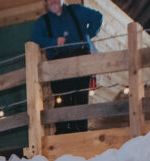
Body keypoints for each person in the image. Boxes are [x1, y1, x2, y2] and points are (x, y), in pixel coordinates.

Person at [30, 0, 103, 134]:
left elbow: (98, 17)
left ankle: (80, 130)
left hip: (80, 57)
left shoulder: (76, 10)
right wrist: (53, 42)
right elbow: (35, 38)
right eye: (50, 0)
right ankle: (63, 132)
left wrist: (86, 35)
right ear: (46, 3)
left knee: (80, 96)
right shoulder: (43, 21)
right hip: (57, 62)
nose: (54, 2)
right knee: (61, 98)